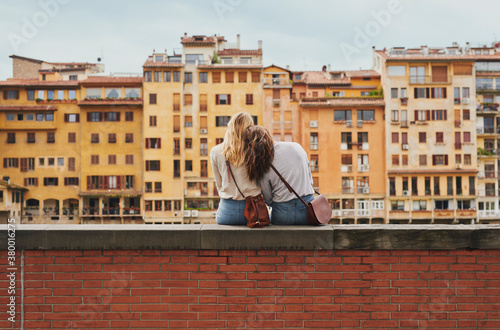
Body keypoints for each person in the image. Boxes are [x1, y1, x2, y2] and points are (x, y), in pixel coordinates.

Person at [244, 126, 315, 225]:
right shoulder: (296, 146)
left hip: (282, 211)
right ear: (268, 134)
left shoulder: (263, 163)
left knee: (278, 240)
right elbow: (309, 179)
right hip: (308, 206)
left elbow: (268, 198)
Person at [210, 112, 261, 225]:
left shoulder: (215, 151)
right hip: (254, 209)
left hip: (227, 211)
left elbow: (219, 185)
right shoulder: (256, 151)